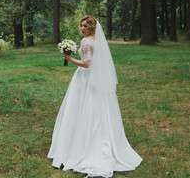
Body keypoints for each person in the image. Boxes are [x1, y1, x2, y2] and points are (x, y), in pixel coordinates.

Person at [48, 15, 142, 177]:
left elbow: (87, 64)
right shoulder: (98, 41)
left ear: (92, 27)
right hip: (97, 80)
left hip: (85, 79)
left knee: (82, 109)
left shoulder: (86, 42)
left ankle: (80, 148)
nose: (82, 28)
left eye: (85, 26)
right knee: (97, 110)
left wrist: (69, 59)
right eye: (81, 25)